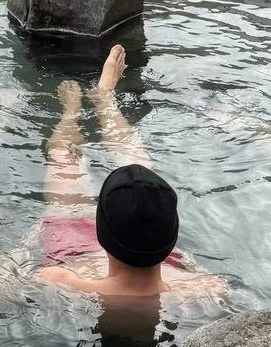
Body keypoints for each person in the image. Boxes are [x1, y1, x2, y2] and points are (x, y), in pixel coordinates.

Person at [31, 46, 226, 311]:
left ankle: (74, 113)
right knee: (147, 185)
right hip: (161, 268)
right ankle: (104, 99)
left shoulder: (57, 280)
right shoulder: (205, 288)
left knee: (63, 157)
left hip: (72, 248)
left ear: (100, 229)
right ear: (172, 237)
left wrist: (32, 235)